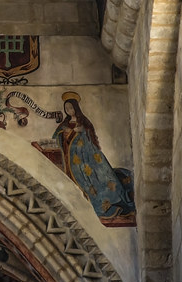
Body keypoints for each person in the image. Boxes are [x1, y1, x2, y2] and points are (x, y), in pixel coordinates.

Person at [51, 92, 135, 224]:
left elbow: (90, 136)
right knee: (84, 177)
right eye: (66, 109)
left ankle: (115, 200)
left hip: (88, 155)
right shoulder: (65, 124)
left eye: (71, 108)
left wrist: (81, 131)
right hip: (73, 157)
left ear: (76, 108)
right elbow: (57, 136)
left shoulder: (83, 121)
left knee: (102, 174)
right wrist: (68, 133)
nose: (69, 111)